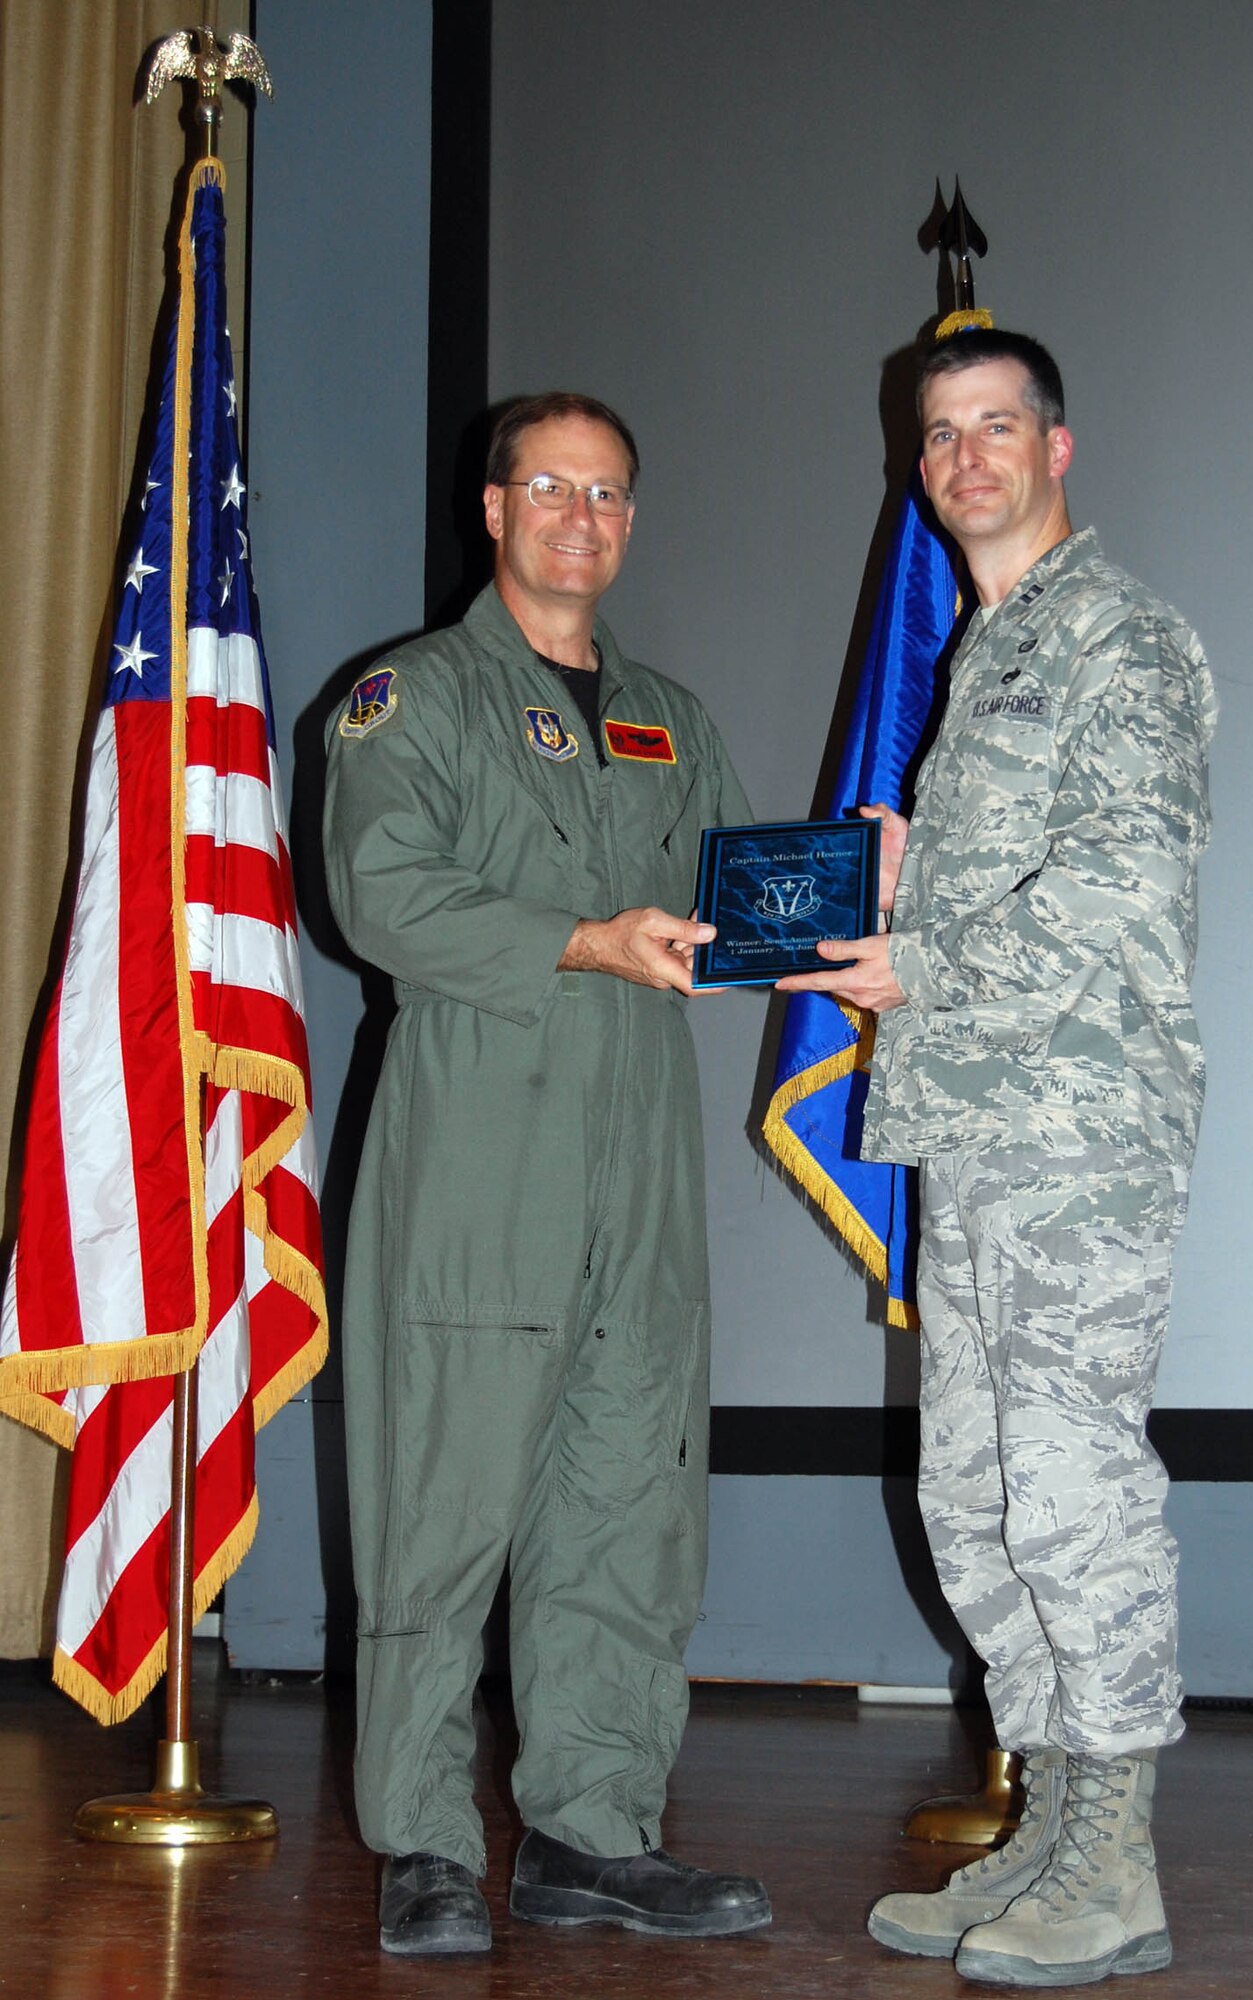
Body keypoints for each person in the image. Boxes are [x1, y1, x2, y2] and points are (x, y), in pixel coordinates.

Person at [779, 329, 1216, 1989]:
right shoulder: (982, 652)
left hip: (1079, 1132)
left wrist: (930, 962)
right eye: (940, 433)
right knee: (975, 1489)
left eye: (997, 426)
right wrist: (901, 877)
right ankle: (1045, 1815)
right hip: (971, 1123)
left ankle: (1117, 1855)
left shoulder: (1121, 639)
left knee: (1073, 1480)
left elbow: (1116, 889)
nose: (967, 455)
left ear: (1059, 447)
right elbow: (1001, 893)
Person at [323, 391, 770, 1956]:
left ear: (629, 524)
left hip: (639, 1158)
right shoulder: (413, 698)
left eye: (610, 494)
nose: (583, 517)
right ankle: (426, 1844)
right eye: (552, 488)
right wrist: (581, 939)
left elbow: (731, 896)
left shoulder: (669, 715)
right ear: (496, 509)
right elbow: (380, 891)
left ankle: (591, 1829)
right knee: (442, 1500)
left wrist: (840, 901)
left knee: (625, 1495)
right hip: (478, 1154)